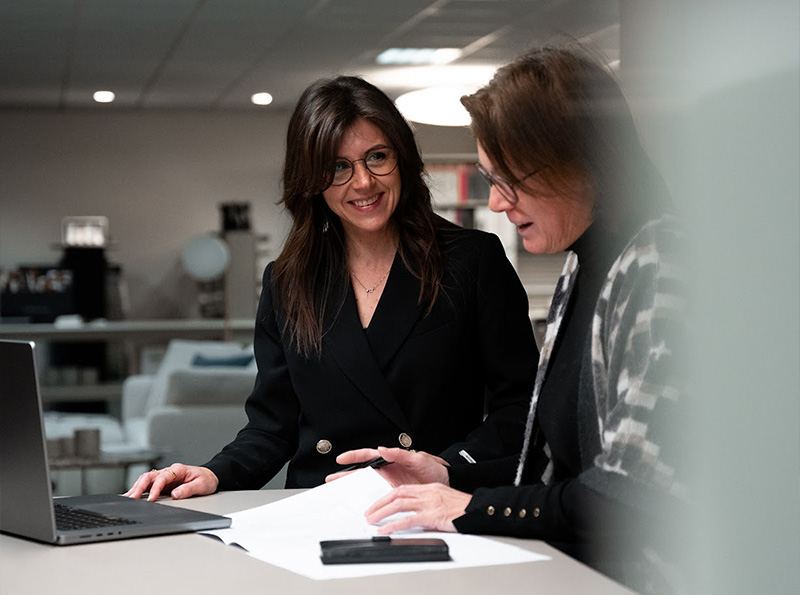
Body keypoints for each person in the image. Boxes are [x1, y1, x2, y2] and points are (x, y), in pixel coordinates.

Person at [331, 46, 686, 592]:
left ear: (580, 161)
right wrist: (447, 475)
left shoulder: (660, 265)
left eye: (509, 181)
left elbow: (627, 494)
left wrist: (471, 507)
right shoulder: (582, 265)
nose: (496, 204)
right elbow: (556, 472)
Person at [125, 76, 538, 500]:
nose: (363, 182)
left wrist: (450, 467)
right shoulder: (287, 281)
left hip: (428, 504)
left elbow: (522, 406)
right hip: (318, 505)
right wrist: (214, 473)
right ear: (311, 179)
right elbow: (273, 425)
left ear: (403, 158)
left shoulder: (471, 259)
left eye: (377, 157)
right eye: (339, 167)